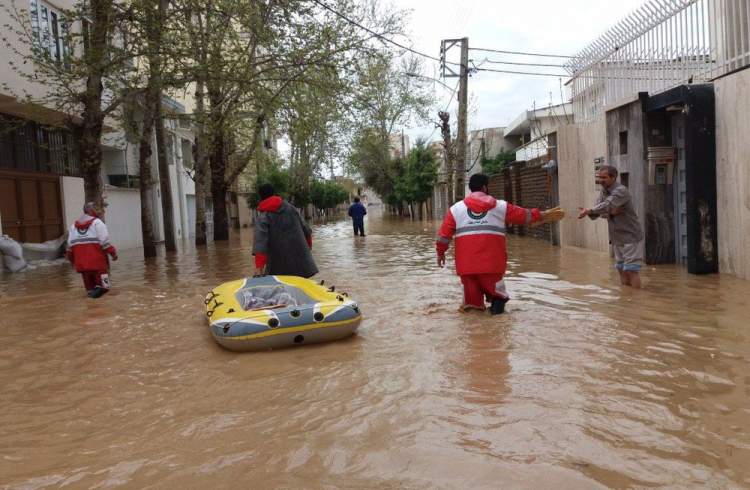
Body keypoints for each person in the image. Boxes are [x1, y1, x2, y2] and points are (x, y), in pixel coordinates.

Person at [436, 173, 556, 315]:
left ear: (470, 188)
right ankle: (497, 329)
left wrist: (440, 253)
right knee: (498, 299)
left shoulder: (455, 210)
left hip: (466, 268)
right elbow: (524, 215)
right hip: (492, 266)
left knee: (472, 309)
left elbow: (443, 237)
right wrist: (542, 215)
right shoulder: (500, 207)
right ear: (485, 187)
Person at [578, 165, 644, 288]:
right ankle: (627, 299)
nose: (600, 180)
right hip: (617, 237)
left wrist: (592, 211)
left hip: (631, 236)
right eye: (599, 177)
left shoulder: (621, 191)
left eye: (604, 177)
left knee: (631, 270)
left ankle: (637, 300)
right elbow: (600, 210)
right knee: (620, 268)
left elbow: (607, 205)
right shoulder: (603, 192)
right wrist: (599, 212)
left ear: (613, 177)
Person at [253, 183, 318, 278]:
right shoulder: (291, 208)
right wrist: (307, 250)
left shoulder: (263, 217)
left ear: (260, 197)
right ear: (273, 193)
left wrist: (259, 269)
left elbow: (260, 244)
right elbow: (306, 230)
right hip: (302, 265)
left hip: (279, 269)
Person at [66, 202, 117, 298]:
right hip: (99, 266)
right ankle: (100, 309)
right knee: (105, 288)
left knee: (90, 291)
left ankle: (91, 308)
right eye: (97, 209)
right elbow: (105, 243)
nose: (101, 211)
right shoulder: (98, 223)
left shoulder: (73, 226)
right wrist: (113, 254)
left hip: (83, 267)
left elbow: (69, 249)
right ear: (90, 211)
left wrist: (73, 262)